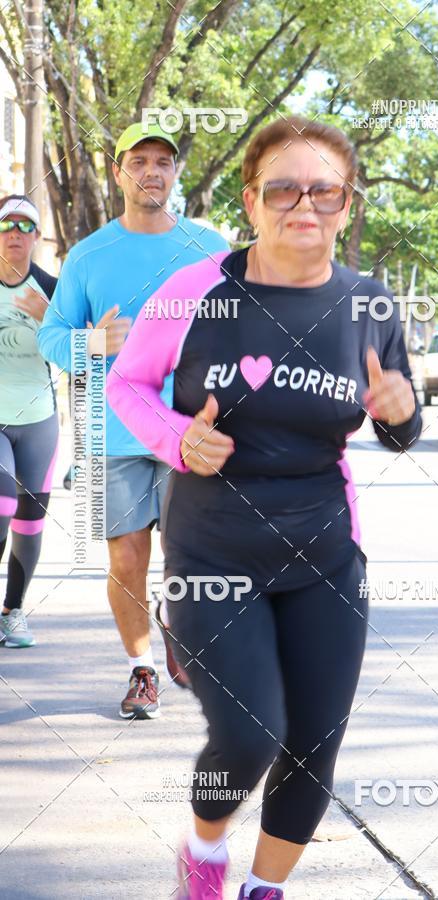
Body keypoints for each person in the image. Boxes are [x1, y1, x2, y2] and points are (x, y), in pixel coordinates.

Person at [107, 115, 422, 899]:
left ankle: (263, 890)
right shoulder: (196, 289)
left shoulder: (370, 306)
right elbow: (127, 384)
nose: (303, 205)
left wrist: (400, 412)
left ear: (348, 205)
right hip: (213, 551)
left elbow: (403, 427)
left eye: (324, 189)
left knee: (314, 741)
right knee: (250, 735)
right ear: (252, 199)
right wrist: (179, 440)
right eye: (283, 187)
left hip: (324, 553)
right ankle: (205, 846)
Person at [37, 122, 228, 717]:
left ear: (175, 174)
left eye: (163, 162)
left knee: (188, 558)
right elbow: (51, 334)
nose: (152, 171)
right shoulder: (89, 254)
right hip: (110, 432)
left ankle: (177, 619)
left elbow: (243, 324)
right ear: (119, 172)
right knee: (125, 558)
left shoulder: (210, 246)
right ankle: (140, 670)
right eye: (139, 160)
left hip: (189, 430)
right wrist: (91, 341)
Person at [0, 194, 59, 648]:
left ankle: (12, 612)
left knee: (29, 522)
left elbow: (89, 351)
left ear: (37, 237)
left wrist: (52, 319)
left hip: (39, 420)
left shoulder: (53, 288)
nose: (15, 232)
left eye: (25, 225)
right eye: (7, 225)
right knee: (1, 504)